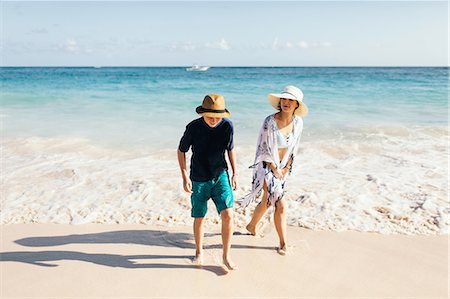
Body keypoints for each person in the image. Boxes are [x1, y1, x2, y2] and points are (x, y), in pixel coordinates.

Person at [242, 85, 308, 255]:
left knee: (267, 200)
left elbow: (294, 148)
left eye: (290, 100)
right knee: (280, 204)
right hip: (265, 166)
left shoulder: (298, 123)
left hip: (282, 167)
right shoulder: (269, 122)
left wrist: (286, 168)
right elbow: (263, 149)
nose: (286, 102)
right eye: (284, 99)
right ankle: (283, 243)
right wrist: (274, 169)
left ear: (296, 105)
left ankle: (251, 225)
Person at [177, 93, 238, 270]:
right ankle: (198, 252)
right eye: (209, 115)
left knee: (228, 215)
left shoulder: (228, 126)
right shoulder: (193, 127)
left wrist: (235, 173)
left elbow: (230, 149)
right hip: (199, 178)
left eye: (217, 116)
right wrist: (184, 176)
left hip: (221, 175)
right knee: (199, 217)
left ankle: (226, 256)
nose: (213, 119)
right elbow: (181, 151)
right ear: (202, 113)